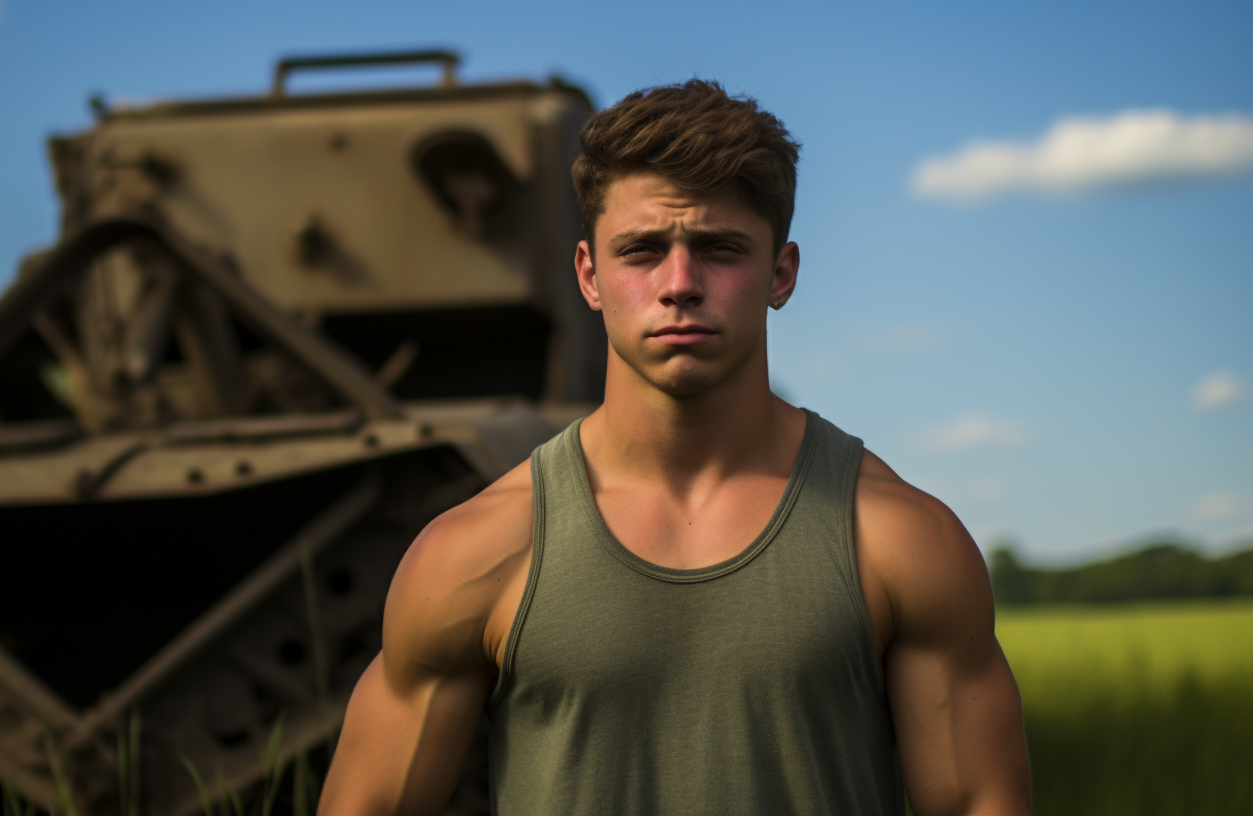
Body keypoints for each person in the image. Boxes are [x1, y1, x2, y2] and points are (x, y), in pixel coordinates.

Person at [317, 79, 1032, 816]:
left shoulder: (897, 539)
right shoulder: (476, 552)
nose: (680, 285)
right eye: (643, 251)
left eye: (720, 249)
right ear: (589, 276)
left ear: (781, 274)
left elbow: (983, 800)